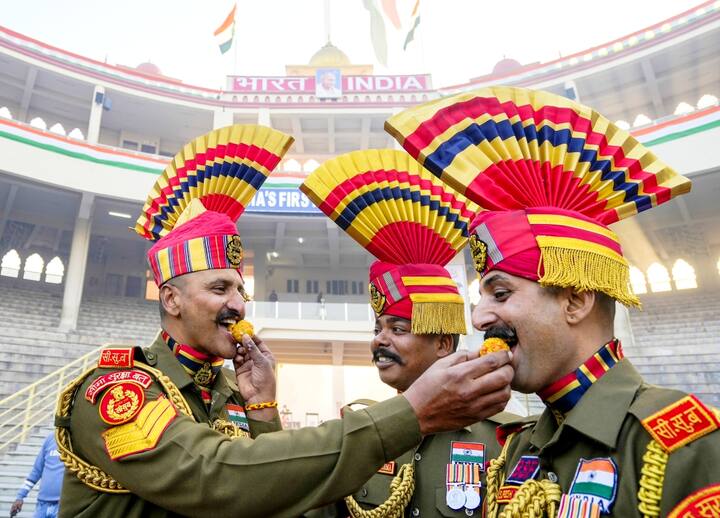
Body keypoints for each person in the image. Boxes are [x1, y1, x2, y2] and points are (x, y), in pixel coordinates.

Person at [55, 124, 514, 518]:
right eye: (219, 289)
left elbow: (274, 499)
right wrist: (409, 415)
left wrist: (263, 410)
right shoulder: (119, 389)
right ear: (171, 299)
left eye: (241, 290)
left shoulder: (231, 393)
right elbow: (217, 478)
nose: (238, 305)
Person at [386, 86, 720, 517]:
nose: (480, 316)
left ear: (576, 301)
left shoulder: (679, 445)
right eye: (482, 295)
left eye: (501, 294)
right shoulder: (516, 450)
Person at [301, 148, 524, 517]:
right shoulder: (355, 432)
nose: (379, 340)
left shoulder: (508, 439)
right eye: (378, 328)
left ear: (442, 343)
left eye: (398, 328)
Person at [10, 433, 63, 518]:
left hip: (63, 506)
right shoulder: (50, 438)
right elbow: (36, 471)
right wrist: (20, 497)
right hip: (42, 505)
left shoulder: (77, 440)